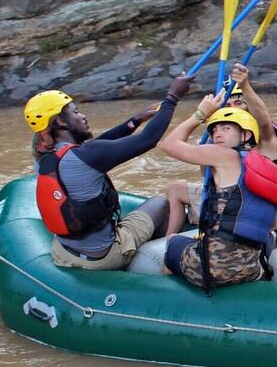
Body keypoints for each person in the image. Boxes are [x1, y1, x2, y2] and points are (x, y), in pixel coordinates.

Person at [24, 74, 192, 270]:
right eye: (76, 112)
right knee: (161, 204)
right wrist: (172, 98)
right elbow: (148, 139)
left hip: (64, 251)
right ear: (61, 121)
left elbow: (100, 145)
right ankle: (157, 263)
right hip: (104, 257)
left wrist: (135, 120)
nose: (82, 116)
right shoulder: (86, 156)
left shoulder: (45, 154)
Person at [159, 100, 277, 291]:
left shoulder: (221, 154)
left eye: (226, 128)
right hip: (252, 268)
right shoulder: (271, 168)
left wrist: (200, 115)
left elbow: (169, 145)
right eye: (214, 130)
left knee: (172, 242)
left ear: (246, 135)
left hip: (213, 269)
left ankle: (174, 301)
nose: (217, 133)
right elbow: (273, 225)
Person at [164, 63, 277, 237]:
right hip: (228, 203)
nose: (233, 109)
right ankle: (168, 239)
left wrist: (245, 86)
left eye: (239, 103)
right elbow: (207, 176)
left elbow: (263, 121)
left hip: (256, 212)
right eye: (228, 106)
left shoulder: (265, 139)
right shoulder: (220, 141)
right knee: (175, 189)